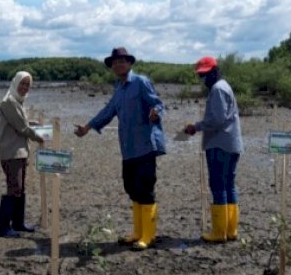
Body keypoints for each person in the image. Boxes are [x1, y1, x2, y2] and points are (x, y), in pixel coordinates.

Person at [74, 47, 166, 251]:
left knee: (145, 189)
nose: (118, 65)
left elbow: (158, 104)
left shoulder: (141, 82)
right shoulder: (119, 89)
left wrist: (155, 112)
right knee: (132, 189)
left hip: (145, 146)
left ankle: (148, 236)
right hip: (128, 148)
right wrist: (87, 127)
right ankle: (137, 232)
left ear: (129, 63)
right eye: (115, 62)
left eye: (122, 61)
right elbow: (107, 112)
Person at [184, 56, 243, 243]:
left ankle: (219, 233)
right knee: (228, 185)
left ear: (214, 71)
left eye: (206, 74)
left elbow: (217, 119)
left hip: (219, 144)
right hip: (232, 143)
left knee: (218, 186)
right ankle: (230, 231)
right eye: (201, 75)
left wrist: (196, 126)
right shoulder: (225, 86)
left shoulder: (217, 89)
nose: (203, 79)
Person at [0, 71, 45, 237]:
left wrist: (35, 124)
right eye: (22, 83)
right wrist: (40, 136)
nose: (24, 87)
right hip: (11, 152)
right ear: (15, 82)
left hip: (20, 151)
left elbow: (22, 122)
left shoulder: (17, 101)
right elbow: (22, 128)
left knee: (20, 188)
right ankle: (4, 228)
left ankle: (18, 223)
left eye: (27, 85)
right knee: (14, 188)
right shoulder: (9, 102)